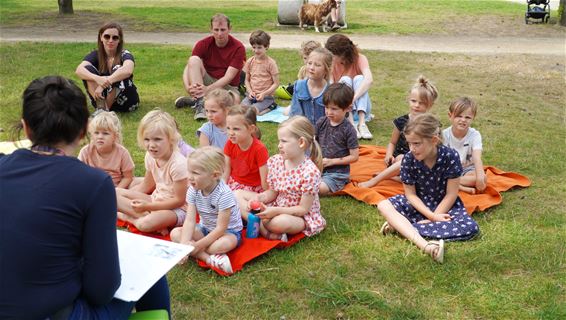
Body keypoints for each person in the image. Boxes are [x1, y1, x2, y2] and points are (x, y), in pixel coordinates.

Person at [0, 76, 169, 319]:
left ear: (26, 127)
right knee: (151, 268)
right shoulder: (92, 183)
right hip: (56, 313)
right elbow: (101, 290)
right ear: (82, 132)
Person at [377, 114, 480, 263]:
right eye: (409, 144)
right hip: (417, 203)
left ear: (434, 140)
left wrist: (436, 215)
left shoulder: (450, 157)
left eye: (417, 144)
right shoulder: (408, 159)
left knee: (470, 228)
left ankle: (401, 226)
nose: (412, 149)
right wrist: (431, 218)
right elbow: (411, 195)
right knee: (383, 205)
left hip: (444, 205)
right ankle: (427, 247)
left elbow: (451, 194)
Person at [235, 116, 326, 241]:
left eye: (284, 141)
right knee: (236, 194)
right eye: (279, 141)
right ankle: (263, 227)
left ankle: (260, 225)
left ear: (301, 142)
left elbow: (303, 209)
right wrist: (260, 198)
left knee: (279, 222)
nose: (279, 145)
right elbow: (273, 192)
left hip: (297, 216)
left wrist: (275, 211)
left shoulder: (310, 172)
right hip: (275, 205)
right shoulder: (277, 161)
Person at [170, 146, 243, 274]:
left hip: (228, 232)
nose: (190, 177)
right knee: (175, 234)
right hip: (205, 229)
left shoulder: (224, 194)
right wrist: (183, 246)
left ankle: (201, 252)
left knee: (221, 245)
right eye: (189, 171)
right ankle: (209, 259)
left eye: (196, 173)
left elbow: (221, 228)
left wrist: (196, 246)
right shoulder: (193, 189)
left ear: (214, 175)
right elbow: (190, 221)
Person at [116, 109, 188, 235]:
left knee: (145, 224)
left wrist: (147, 207)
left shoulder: (178, 164)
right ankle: (144, 216)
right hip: (154, 199)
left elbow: (179, 200)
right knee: (113, 192)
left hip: (176, 210)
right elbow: (146, 185)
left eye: (157, 139)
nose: (151, 145)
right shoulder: (150, 156)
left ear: (171, 139)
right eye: (147, 139)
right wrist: (126, 197)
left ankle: (126, 216)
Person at [359, 75, 438, 188]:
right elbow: (392, 142)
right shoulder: (401, 121)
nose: (416, 105)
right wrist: (388, 155)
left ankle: (396, 177)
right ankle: (376, 180)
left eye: (421, 103)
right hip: (400, 157)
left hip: (422, 158)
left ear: (430, 105)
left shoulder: (432, 124)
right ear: (408, 99)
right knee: (404, 159)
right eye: (413, 101)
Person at [175, 13, 246, 121]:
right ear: (211, 29)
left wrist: (207, 90)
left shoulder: (238, 47)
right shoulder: (203, 44)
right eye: (216, 30)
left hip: (228, 86)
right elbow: (189, 66)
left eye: (223, 30)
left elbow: (229, 77)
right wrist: (188, 87)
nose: (219, 34)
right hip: (207, 80)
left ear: (229, 29)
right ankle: (200, 103)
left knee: (235, 102)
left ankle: (196, 101)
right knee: (194, 59)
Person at [75, 22, 139, 113]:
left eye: (115, 37)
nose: (110, 40)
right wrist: (97, 78)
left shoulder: (125, 54)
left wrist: (106, 82)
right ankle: (102, 109)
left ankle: (102, 111)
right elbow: (79, 70)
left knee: (119, 70)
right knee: (87, 70)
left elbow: (128, 70)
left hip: (125, 102)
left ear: (119, 40)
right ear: (101, 37)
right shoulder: (96, 55)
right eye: (107, 36)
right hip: (100, 100)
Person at [325, 34, 374, 139]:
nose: (331, 57)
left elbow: (369, 80)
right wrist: (346, 102)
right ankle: (351, 124)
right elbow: (332, 87)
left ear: (342, 54)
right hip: (343, 109)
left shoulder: (360, 58)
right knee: (345, 80)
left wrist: (352, 99)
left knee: (360, 79)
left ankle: (362, 123)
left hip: (361, 106)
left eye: (333, 55)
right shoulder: (331, 64)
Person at [316, 83, 359, 195]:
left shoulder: (349, 130)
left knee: (317, 189)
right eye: (326, 107)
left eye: (334, 109)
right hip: (318, 168)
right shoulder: (321, 122)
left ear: (348, 108)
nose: (329, 112)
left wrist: (332, 162)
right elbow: (313, 143)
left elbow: (354, 157)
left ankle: (334, 187)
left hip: (337, 174)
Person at [78, 110, 134, 188]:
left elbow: (128, 177)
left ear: (115, 136)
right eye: (96, 133)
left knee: (136, 183)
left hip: (115, 187)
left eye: (105, 133)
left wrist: (116, 191)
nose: (100, 137)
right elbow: (79, 175)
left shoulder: (122, 153)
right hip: (92, 188)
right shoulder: (85, 152)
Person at [442, 97, 487, 194]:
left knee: (483, 177)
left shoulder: (475, 135)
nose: (463, 120)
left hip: (468, 170)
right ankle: (459, 186)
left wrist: (480, 177)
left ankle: (452, 184)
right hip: (450, 170)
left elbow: (477, 158)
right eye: (459, 116)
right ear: (450, 116)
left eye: (467, 117)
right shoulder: (444, 135)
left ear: (473, 118)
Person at [224, 105, 269, 192]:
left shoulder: (259, 149)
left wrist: (267, 195)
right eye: (228, 128)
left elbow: (265, 180)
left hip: (253, 188)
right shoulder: (230, 143)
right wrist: (222, 188)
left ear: (251, 129)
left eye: (236, 129)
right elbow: (226, 170)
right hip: (234, 182)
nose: (231, 133)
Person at [289, 47, 333, 126]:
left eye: (317, 65)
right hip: (304, 130)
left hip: (325, 132)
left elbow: (333, 120)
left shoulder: (331, 91)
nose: (311, 68)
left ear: (326, 69)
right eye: (309, 63)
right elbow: (295, 114)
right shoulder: (299, 85)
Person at [241, 30, 280, 115]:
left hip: (266, 97)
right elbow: (247, 80)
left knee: (253, 112)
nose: (256, 50)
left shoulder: (271, 63)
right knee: (242, 109)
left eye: (259, 47)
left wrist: (264, 94)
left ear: (267, 47)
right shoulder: (250, 61)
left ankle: (271, 106)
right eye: (254, 47)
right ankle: (259, 108)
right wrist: (250, 91)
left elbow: (276, 84)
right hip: (251, 95)